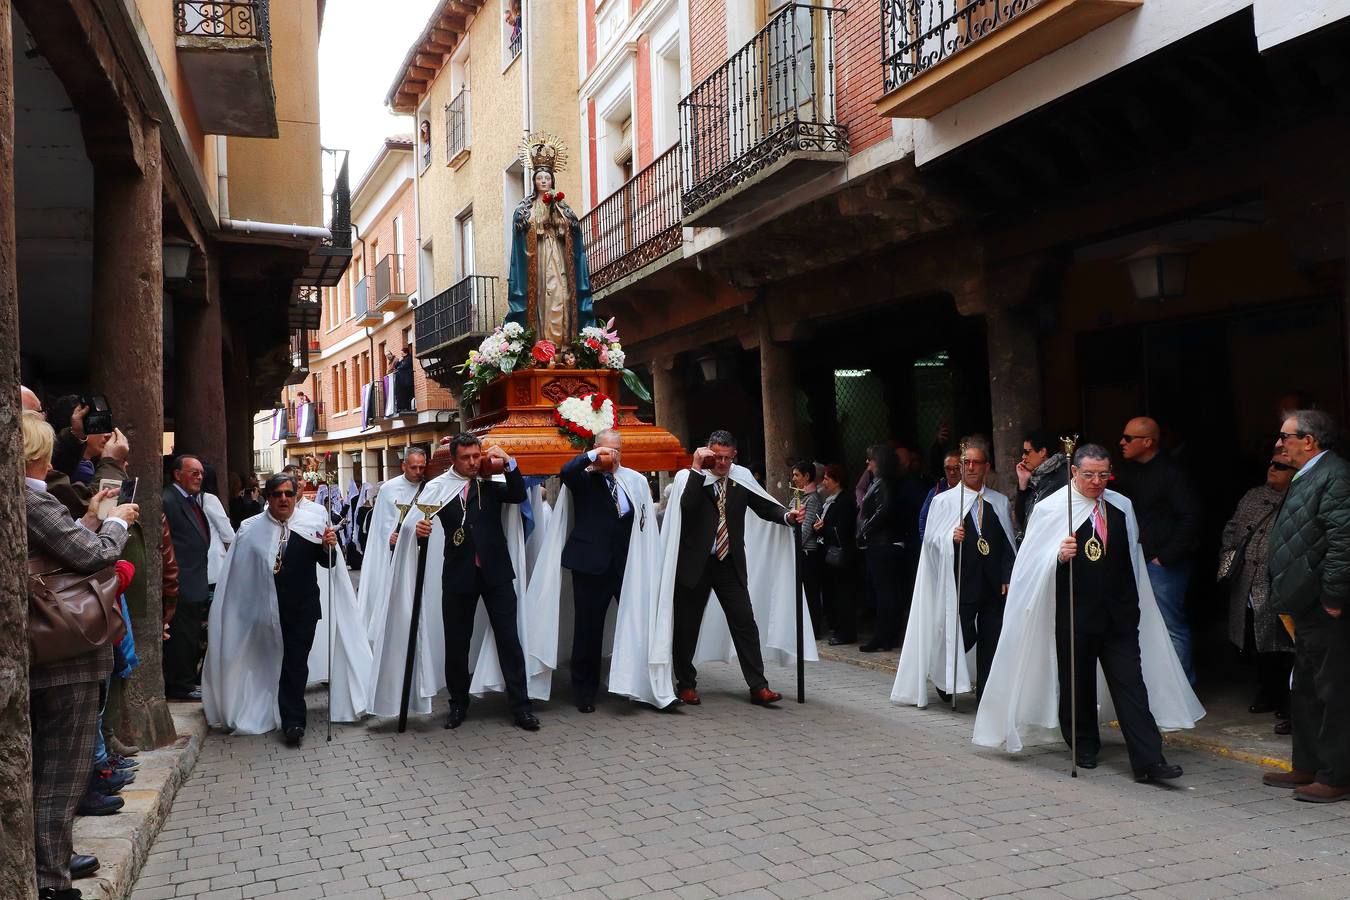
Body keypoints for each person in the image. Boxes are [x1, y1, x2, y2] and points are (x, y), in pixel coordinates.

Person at [974, 444, 1200, 782]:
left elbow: (1131, 558)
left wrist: (1135, 604)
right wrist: (1058, 555)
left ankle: (1149, 761)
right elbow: (1029, 567)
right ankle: (1083, 744)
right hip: (1074, 613)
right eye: (1090, 475)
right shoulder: (1053, 508)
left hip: (1119, 614)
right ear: (1074, 472)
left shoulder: (1121, 506)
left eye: (1103, 475)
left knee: (1131, 685)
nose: (1097, 482)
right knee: (1077, 683)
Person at [24, 411, 139, 897]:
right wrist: (114, 524)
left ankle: (52, 863)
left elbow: (62, 545)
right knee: (61, 773)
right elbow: (92, 554)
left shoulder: (33, 499)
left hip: (50, 644)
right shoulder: (31, 499)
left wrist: (91, 517)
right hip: (62, 649)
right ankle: (51, 878)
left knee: (53, 770)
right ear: (39, 453)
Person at [202, 474, 369, 746]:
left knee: (295, 663)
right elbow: (239, 573)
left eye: (289, 494)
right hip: (262, 611)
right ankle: (266, 706)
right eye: (277, 494)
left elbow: (328, 564)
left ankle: (293, 721)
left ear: (295, 497)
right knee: (268, 661)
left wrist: (329, 547)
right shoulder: (249, 529)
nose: (283, 499)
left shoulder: (313, 524)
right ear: (267, 498)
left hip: (302, 608)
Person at [660, 430, 809, 707]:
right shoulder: (689, 477)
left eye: (727, 458)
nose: (721, 463)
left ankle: (758, 686)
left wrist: (788, 516)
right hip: (695, 564)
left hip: (728, 562)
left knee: (744, 622)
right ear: (707, 452)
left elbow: (765, 506)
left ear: (734, 456)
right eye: (717, 457)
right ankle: (686, 684)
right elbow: (687, 508)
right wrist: (696, 469)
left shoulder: (741, 478)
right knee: (686, 626)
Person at [523, 429, 669, 710]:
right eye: (607, 450)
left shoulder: (634, 480)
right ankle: (584, 691)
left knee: (638, 623)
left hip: (625, 564)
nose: (613, 456)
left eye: (617, 451)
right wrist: (593, 457)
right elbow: (566, 471)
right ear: (596, 448)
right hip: (590, 565)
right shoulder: (584, 478)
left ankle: (640, 684)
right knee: (588, 630)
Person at [411, 436, 540, 731]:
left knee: (509, 640)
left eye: (475, 456)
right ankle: (458, 704)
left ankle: (521, 706)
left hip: (496, 572)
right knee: (457, 643)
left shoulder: (490, 482)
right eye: (465, 457)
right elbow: (414, 523)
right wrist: (416, 530)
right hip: (459, 573)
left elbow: (517, 494)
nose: (472, 462)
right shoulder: (438, 487)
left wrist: (508, 462)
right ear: (453, 459)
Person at [1263, 410, 1350, 802]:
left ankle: (1336, 774)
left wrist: (1333, 596)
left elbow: (1343, 541)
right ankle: (1308, 764)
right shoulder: (1311, 473)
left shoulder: (1335, 475)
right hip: (1305, 600)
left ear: (1309, 441)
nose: (1279, 443)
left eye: (1286, 436)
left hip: (1323, 604)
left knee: (1333, 690)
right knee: (1306, 688)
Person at [893, 438, 1015, 707]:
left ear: (986, 467)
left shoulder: (999, 502)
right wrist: (950, 537)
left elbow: (1008, 542)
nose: (970, 467)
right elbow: (930, 541)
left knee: (992, 638)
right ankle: (945, 677)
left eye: (976, 463)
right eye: (966, 463)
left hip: (992, 583)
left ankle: (987, 695)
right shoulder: (944, 501)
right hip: (961, 580)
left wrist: (1007, 575)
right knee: (963, 634)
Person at [1114, 417, 1201, 684]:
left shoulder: (1173, 474)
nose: (1122, 442)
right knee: (1139, 624)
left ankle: (1182, 689)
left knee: (1170, 625)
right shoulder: (1126, 472)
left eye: (1128, 438)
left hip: (1162, 563)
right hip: (1135, 559)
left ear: (1148, 442)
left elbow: (1190, 518)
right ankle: (1153, 688)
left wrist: (1165, 557)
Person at [1221, 454, 1295, 733]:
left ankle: (1287, 699)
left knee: (1284, 642)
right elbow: (1232, 529)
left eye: (1281, 466)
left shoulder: (1298, 498)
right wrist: (1228, 558)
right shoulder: (1253, 495)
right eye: (1271, 464)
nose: (1272, 469)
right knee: (1255, 639)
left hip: (1277, 583)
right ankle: (1268, 691)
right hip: (1246, 582)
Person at [506, 134, 595, 347]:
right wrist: (537, 223)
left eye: (547, 178)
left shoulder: (563, 207)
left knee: (560, 294)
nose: (544, 181)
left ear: (552, 181)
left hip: (558, 256)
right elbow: (520, 232)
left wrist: (559, 223)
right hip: (536, 257)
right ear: (534, 182)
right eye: (540, 178)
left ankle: (563, 342)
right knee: (540, 296)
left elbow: (573, 231)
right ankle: (540, 341)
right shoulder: (524, 209)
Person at [360, 448, 428, 643]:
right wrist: (388, 537)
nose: (418, 471)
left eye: (422, 467)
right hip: (391, 553)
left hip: (418, 551)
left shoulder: (429, 487)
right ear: (403, 466)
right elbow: (380, 524)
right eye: (413, 467)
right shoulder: (388, 489)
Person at [161, 455, 210, 701]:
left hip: (194, 580)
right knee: (181, 637)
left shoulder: (191, 500)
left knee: (190, 635)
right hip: (181, 582)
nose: (199, 477)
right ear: (177, 474)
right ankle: (181, 685)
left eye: (201, 473)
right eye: (194, 472)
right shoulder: (168, 500)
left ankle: (186, 681)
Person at [858, 445, 910, 653]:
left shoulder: (883, 483)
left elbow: (883, 510)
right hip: (883, 542)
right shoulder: (884, 481)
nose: (868, 463)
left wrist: (865, 529)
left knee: (884, 592)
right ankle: (887, 635)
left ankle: (884, 635)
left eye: (870, 459)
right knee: (887, 591)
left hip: (882, 543)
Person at [815, 464, 859, 645]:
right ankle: (838, 627)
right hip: (830, 553)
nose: (824, 482)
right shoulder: (830, 500)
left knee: (843, 595)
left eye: (827, 478)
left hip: (842, 555)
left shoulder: (844, 501)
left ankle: (845, 632)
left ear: (837, 481)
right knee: (835, 593)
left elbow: (841, 530)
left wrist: (824, 527)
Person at [1015, 428, 1066, 543]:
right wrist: (1022, 484)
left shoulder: (1063, 476)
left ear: (1042, 452)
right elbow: (1021, 519)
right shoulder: (1034, 476)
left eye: (1027, 452)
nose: (1023, 457)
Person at [791, 461, 825, 631]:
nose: (794, 478)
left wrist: (793, 545)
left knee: (811, 592)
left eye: (797, 475)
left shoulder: (813, 498)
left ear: (807, 476)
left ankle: (814, 628)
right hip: (799, 550)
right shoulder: (799, 495)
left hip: (807, 551)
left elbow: (806, 528)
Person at [918, 451, 961, 541]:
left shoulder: (971, 492)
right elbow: (924, 520)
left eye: (956, 468)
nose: (952, 472)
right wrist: (927, 543)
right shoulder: (935, 492)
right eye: (948, 468)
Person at [393, 346, 414, 413]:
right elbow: (396, 366)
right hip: (403, 380)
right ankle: (402, 407)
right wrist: (399, 361)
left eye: (402, 353)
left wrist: (398, 367)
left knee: (407, 394)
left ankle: (407, 407)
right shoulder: (403, 359)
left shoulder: (409, 358)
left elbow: (403, 367)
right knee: (402, 394)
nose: (401, 355)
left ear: (406, 353)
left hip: (407, 380)